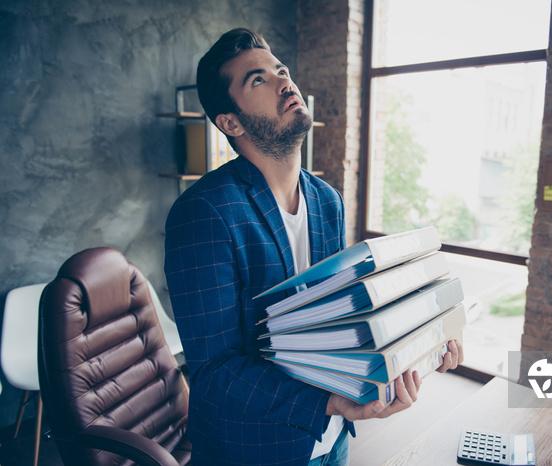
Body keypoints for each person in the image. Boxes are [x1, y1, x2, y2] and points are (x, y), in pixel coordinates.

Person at [164, 27, 464, 466]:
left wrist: (419, 344)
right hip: (254, 451)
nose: (286, 82)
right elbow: (215, 373)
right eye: (258, 80)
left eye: (281, 70)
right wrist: (329, 402)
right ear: (230, 122)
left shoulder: (327, 201)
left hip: (333, 442)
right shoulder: (204, 212)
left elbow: (334, 323)